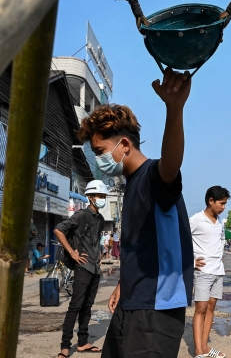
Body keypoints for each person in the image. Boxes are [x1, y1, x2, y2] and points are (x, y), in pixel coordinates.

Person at [79, 68, 193, 358]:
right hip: (132, 300)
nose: (98, 159)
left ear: (124, 145)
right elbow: (139, 248)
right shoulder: (130, 186)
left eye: (100, 150)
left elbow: (171, 163)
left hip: (155, 308)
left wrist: (174, 110)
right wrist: (122, 283)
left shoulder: (153, 175)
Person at [53, 180, 107, 357]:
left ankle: (83, 342)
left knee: (87, 306)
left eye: (104, 196)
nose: (103, 199)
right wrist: (72, 252)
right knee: (75, 306)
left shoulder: (100, 218)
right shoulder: (81, 215)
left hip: (95, 269)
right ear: (90, 197)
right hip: (83, 267)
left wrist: (98, 256)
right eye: (100, 196)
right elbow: (58, 230)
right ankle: (65, 347)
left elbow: (95, 240)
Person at [190, 186, 230, 358]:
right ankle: (198, 351)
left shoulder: (220, 221)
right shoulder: (195, 220)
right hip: (202, 271)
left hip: (217, 271)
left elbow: (222, 239)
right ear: (210, 201)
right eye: (221, 203)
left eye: (225, 203)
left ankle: (205, 347)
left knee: (211, 307)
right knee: (201, 307)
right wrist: (191, 261)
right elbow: (180, 240)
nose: (224, 207)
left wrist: (220, 254)